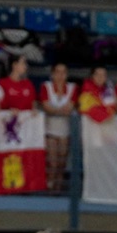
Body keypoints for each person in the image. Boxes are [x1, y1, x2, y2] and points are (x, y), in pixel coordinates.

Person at [40, 63, 76, 191]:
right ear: (53, 74)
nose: (60, 75)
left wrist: (55, 111)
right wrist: (59, 111)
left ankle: (58, 186)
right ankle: (50, 185)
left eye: (63, 72)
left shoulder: (72, 88)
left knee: (61, 163)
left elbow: (70, 107)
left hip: (65, 131)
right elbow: (46, 107)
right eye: (58, 72)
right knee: (52, 162)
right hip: (50, 129)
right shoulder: (46, 87)